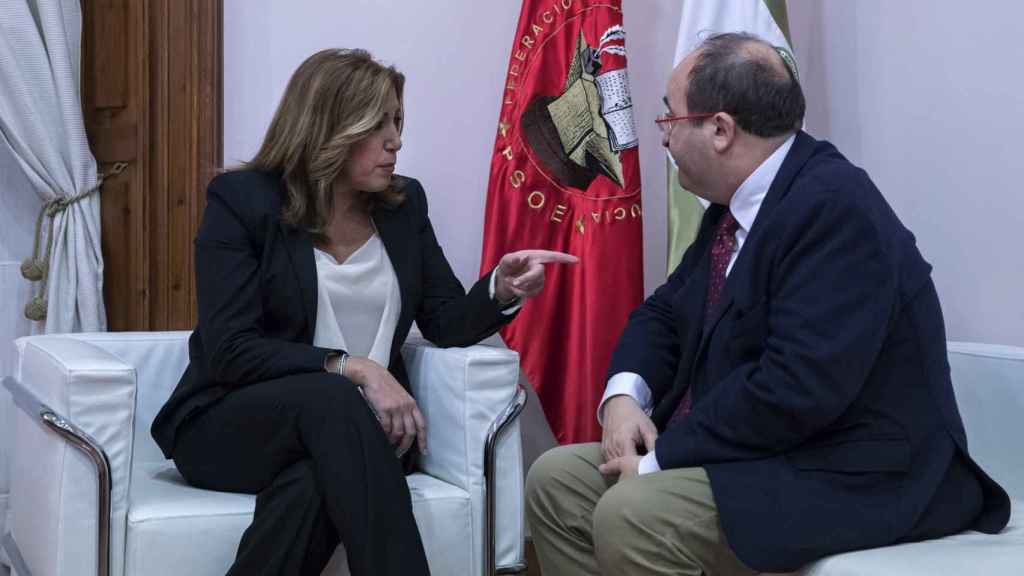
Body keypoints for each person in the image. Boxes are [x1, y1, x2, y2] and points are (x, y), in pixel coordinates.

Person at [525, 32, 1010, 576]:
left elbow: (796, 389)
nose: (661, 139)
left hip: (856, 471)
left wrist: (659, 461)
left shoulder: (835, 209)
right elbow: (665, 314)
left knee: (633, 511)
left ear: (720, 129)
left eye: (669, 119)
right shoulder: (736, 209)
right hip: (774, 452)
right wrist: (622, 398)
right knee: (557, 482)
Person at [150, 48, 575, 576]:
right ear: (328, 126)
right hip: (232, 423)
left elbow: (445, 320)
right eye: (378, 125)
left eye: (397, 121)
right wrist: (354, 367)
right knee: (336, 401)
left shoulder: (404, 206)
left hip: (357, 434)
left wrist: (500, 290)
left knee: (314, 481)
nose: (396, 140)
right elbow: (231, 349)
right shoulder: (243, 202)